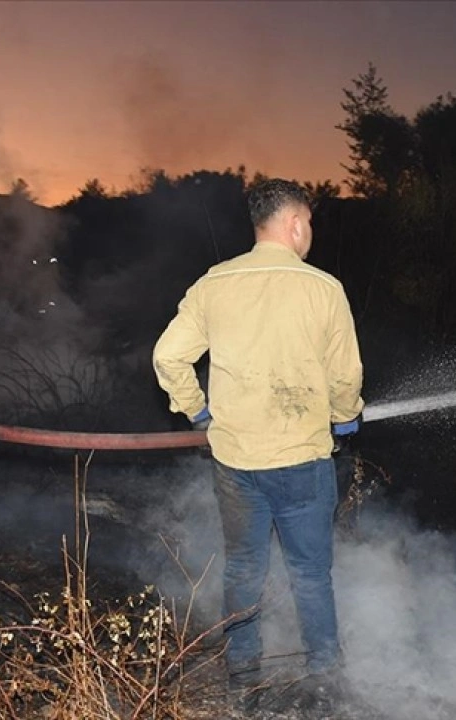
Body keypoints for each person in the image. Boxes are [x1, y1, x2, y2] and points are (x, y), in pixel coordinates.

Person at [153, 179, 364, 696]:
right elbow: (346, 375)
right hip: (302, 462)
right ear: (294, 223)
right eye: (309, 222)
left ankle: (242, 678)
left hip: (237, 462)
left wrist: (197, 409)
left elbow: (167, 357)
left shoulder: (214, 284)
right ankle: (325, 678)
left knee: (244, 569)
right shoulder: (323, 289)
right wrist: (344, 417)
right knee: (310, 574)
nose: (309, 232)